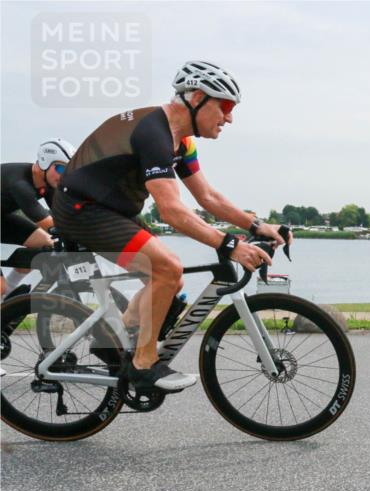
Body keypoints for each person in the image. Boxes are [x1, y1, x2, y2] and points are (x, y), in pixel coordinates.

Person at [52, 60, 287, 392]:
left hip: (111, 207)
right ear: (196, 98)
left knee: (168, 281)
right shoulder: (155, 133)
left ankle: (111, 343)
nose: (230, 117)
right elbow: (172, 212)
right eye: (226, 106)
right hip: (81, 208)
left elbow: (207, 196)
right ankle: (143, 365)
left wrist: (258, 225)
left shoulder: (183, 141)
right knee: (167, 268)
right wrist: (229, 245)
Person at [1, 138, 76, 297]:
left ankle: (7, 300)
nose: (64, 176)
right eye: (61, 169)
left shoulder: (48, 183)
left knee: (44, 244)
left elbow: (65, 215)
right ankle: (5, 294)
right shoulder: (20, 184)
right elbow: (49, 224)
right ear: (44, 163)